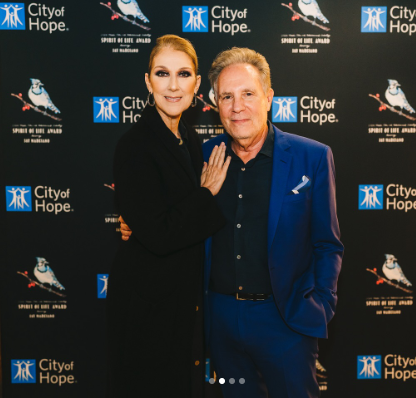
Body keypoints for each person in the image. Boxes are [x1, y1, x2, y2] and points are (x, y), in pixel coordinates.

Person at [121, 47, 343, 398]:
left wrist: (321, 304)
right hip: (220, 321)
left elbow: (327, 243)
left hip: (285, 321)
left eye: (248, 94)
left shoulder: (312, 157)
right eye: (227, 96)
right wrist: (135, 222)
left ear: (269, 98)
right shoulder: (202, 154)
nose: (237, 107)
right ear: (215, 104)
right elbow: (172, 214)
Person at [107, 34, 231, 398]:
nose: (173, 86)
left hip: (180, 298)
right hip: (146, 302)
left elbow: (171, 218)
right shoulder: (135, 144)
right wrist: (205, 194)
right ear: (148, 82)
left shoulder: (189, 139)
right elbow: (160, 234)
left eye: (184, 74)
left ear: (196, 84)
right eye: (162, 74)